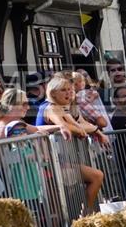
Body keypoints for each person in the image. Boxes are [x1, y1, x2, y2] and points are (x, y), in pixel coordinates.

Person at [36, 76, 105, 215]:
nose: (68, 93)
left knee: (95, 177)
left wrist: (96, 131)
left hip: (61, 161)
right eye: (63, 90)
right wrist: (80, 130)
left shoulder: (65, 108)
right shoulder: (50, 107)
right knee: (56, 209)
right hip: (49, 163)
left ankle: (86, 215)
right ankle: (84, 216)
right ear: (53, 93)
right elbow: (63, 125)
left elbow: (80, 123)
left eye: (69, 89)